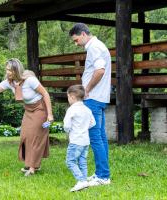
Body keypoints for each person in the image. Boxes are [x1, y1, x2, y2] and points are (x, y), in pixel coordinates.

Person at [0, 58, 54, 176]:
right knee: (25, 136)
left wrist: (50, 114)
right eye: (6, 70)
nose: (7, 72)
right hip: (28, 110)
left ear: (16, 70)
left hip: (40, 109)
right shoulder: (9, 82)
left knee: (34, 137)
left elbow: (45, 94)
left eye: (10, 70)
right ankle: (31, 164)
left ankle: (32, 168)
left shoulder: (30, 80)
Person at [69, 23, 112, 186]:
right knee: (100, 137)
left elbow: (99, 70)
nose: (76, 43)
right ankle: (102, 173)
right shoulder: (98, 46)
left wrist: (87, 89)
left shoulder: (94, 47)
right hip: (99, 97)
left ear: (83, 34)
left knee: (94, 137)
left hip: (93, 98)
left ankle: (103, 176)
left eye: (76, 39)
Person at [64, 85, 96, 192]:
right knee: (82, 161)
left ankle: (81, 181)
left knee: (70, 161)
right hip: (85, 141)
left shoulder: (71, 109)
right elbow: (93, 123)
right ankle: (84, 182)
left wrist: (68, 131)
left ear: (72, 97)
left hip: (75, 141)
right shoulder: (87, 109)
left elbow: (67, 125)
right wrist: (83, 127)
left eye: (68, 97)